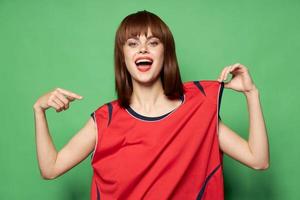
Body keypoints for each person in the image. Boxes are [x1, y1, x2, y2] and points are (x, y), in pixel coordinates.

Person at [33, 10, 269, 200]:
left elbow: (258, 160)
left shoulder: (198, 110)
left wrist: (252, 94)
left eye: (153, 42)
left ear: (166, 54)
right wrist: (39, 111)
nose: (143, 49)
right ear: (123, 57)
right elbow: (50, 168)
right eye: (132, 43)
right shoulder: (106, 119)